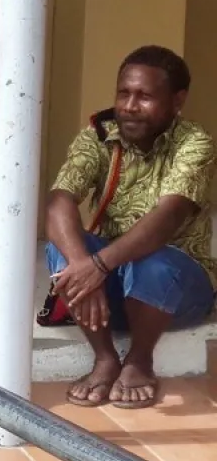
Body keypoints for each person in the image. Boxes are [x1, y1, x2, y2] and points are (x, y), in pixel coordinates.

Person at [45, 46, 216, 409]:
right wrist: (81, 263)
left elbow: (166, 220)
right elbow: (60, 200)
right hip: (112, 291)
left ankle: (139, 359)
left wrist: (98, 265)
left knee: (152, 262)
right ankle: (105, 358)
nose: (129, 106)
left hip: (177, 292)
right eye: (124, 93)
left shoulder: (194, 143)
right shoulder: (97, 136)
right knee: (61, 246)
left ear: (177, 100)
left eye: (145, 96)